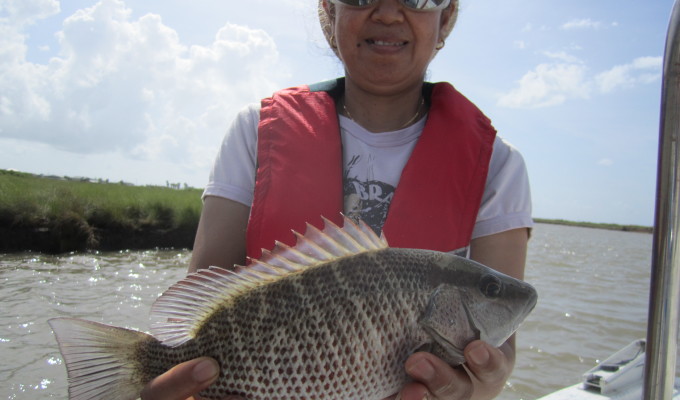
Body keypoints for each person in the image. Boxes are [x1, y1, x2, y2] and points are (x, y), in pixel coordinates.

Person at [141, 0, 533, 399]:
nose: (388, 13)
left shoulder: (498, 165)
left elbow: (496, 363)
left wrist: (477, 388)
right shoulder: (255, 130)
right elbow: (192, 311)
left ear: (445, 15)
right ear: (330, 9)